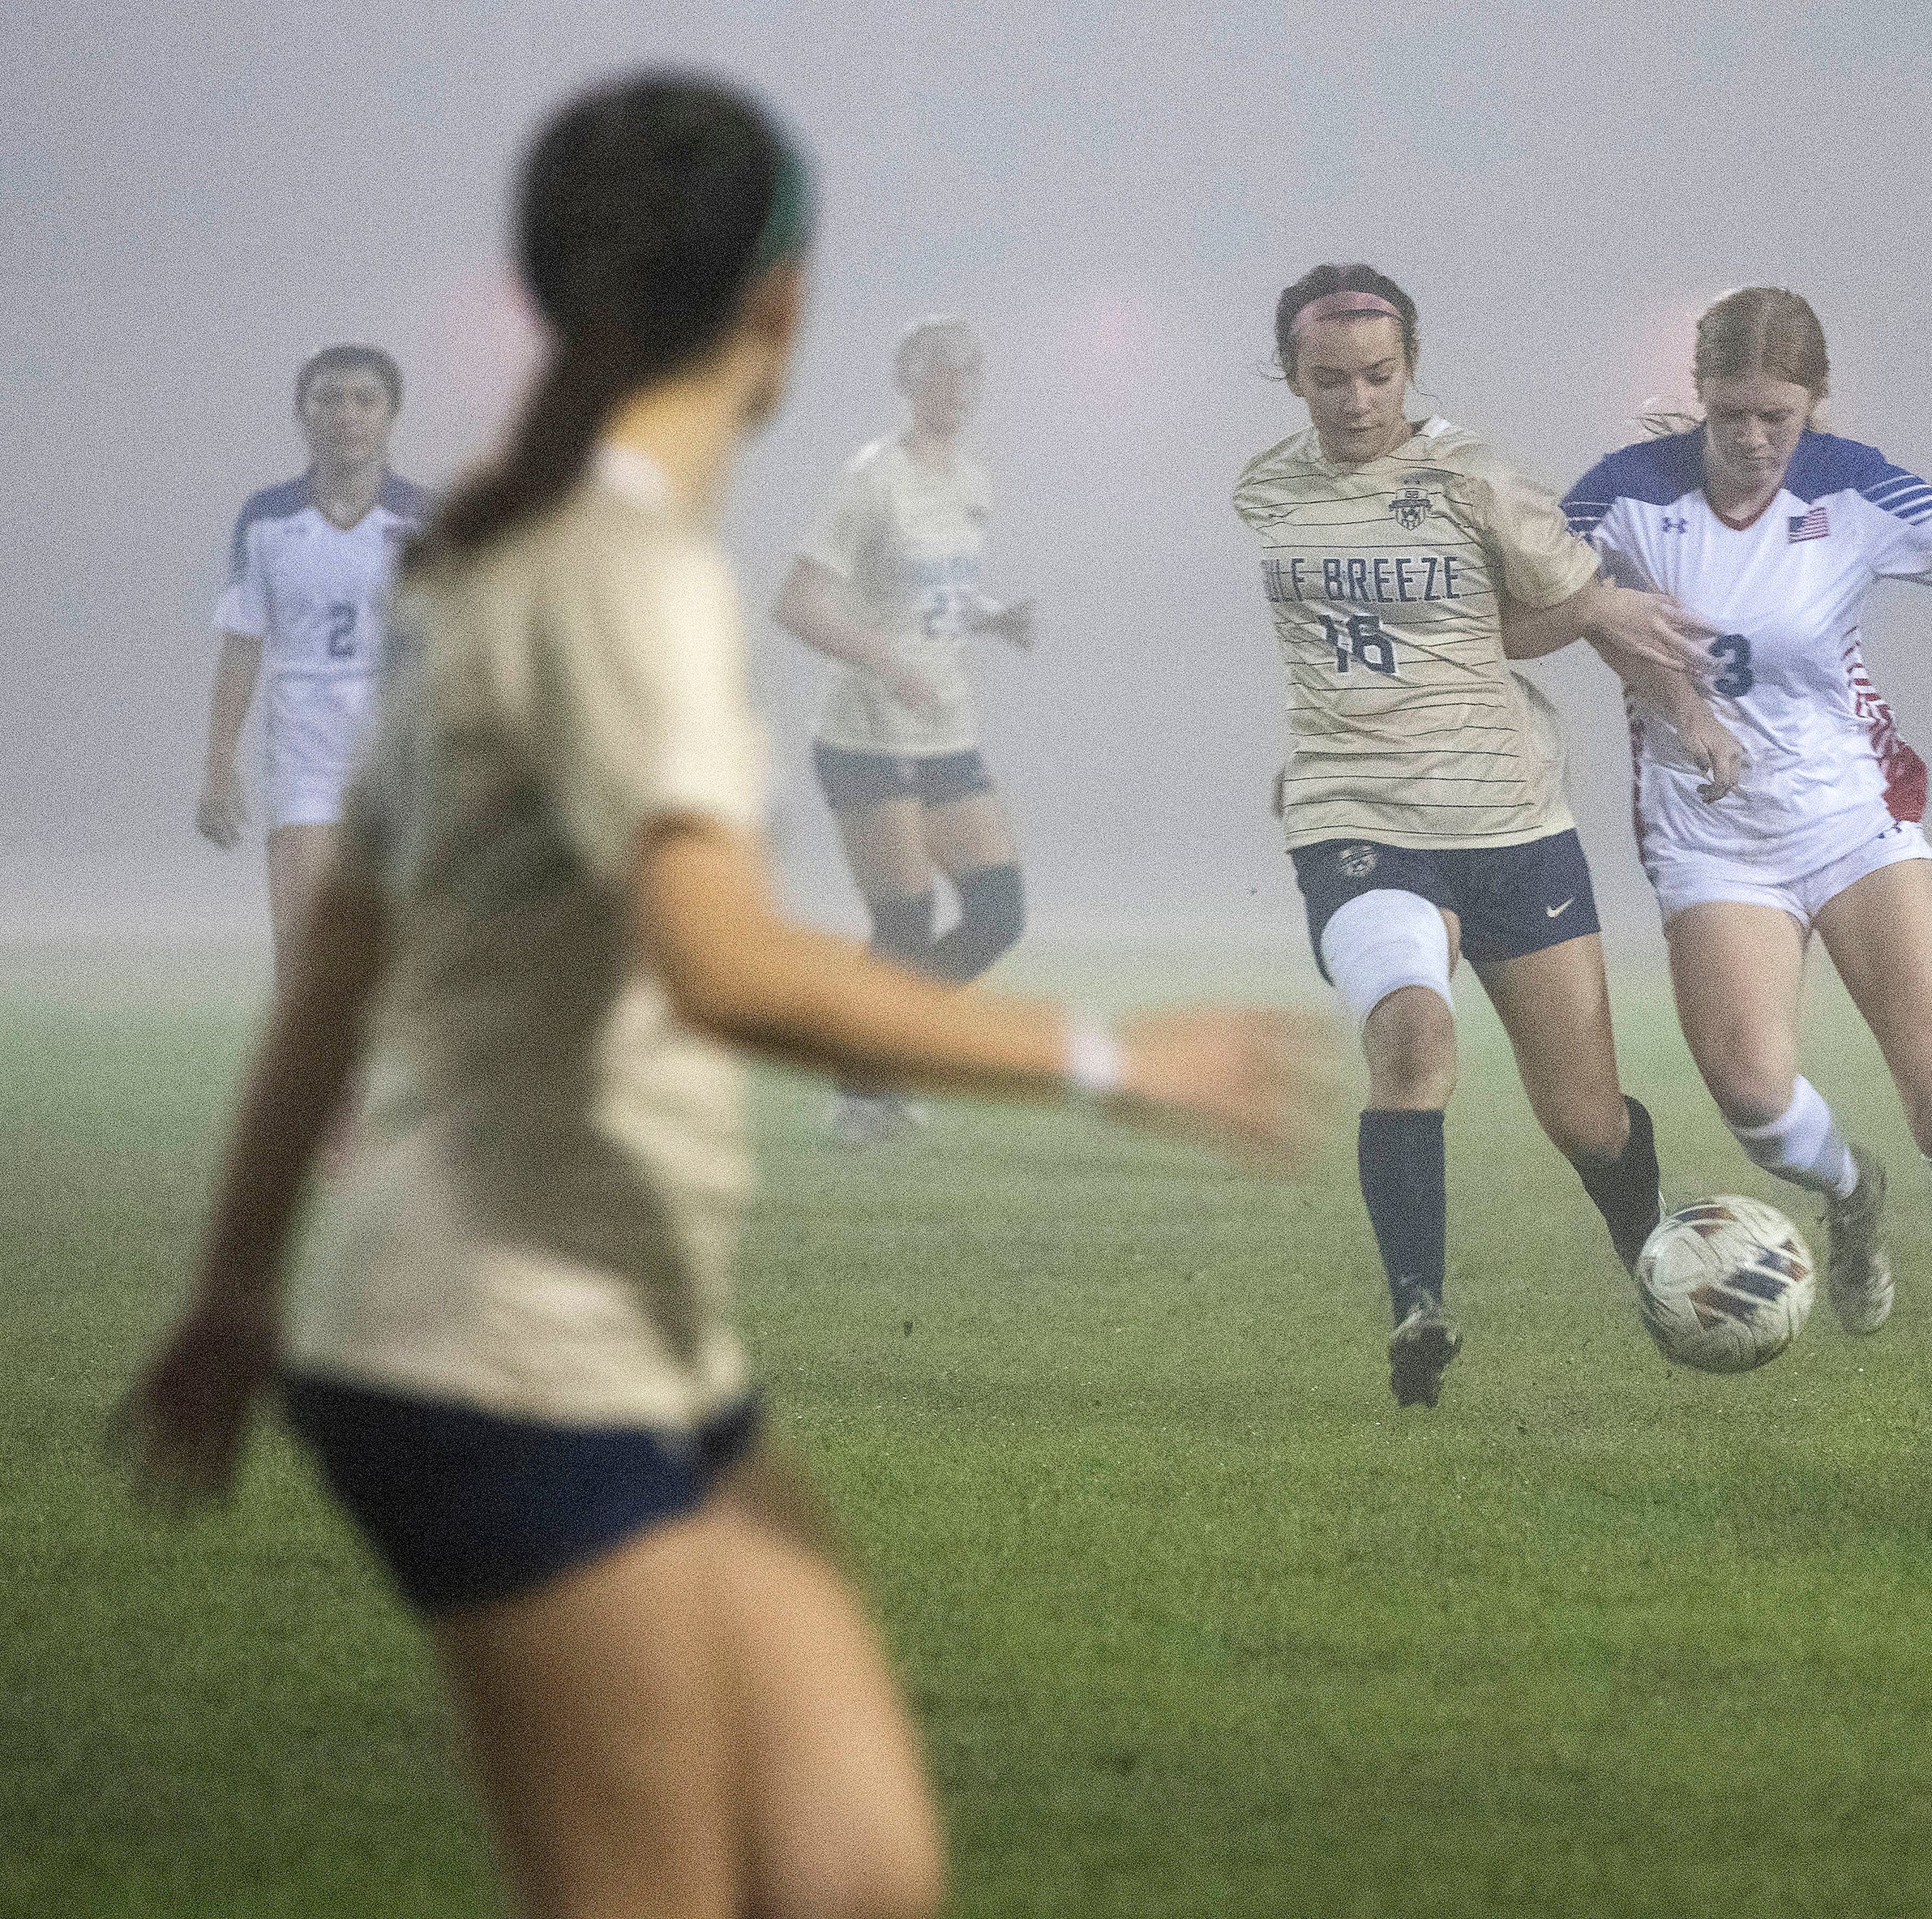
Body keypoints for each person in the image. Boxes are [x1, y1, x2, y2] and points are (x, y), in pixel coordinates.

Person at [120, 75, 1321, 1919]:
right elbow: (725, 962)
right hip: (496, 1350)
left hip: (637, 1337)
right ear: (783, 301)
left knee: (854, 1872)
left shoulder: (489, 562)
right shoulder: (620, 583)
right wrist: (1107, 1057)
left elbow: (337, 977)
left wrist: (228, 1290)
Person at [1563, 286, 1932, 1450]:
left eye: (1780, 414)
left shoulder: (1853, 482)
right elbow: (1535, 598)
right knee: (1754, 1093)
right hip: (1710, 834)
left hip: (1853, 818)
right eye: (1733, 413)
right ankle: (1852, 1193)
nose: (1757, 439)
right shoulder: (1627, 488)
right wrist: (1652, 669)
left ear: (1816, 403)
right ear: (1700, 398)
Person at [1234, 262, 1744, 1411]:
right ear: (1291, 377)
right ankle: (1418, 1304)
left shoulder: (1474, 477)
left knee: (1587, 1119)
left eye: (1377, 375)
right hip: (1354, 819)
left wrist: (1692, 717)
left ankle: (1649, 1247)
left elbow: (1578, 613)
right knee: (1413, 1037)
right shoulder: (1264, 490)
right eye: (1328, 380)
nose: (1356, 400)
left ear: (1410, 366)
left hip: (1511, 820)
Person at [772, 317, 1035, 1147]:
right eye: (942, 372)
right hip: (866, 738)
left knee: (997, 915)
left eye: (971, 372)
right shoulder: (871, 481)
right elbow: (800, 604)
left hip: (945, 731)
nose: (959, 387)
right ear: (909, 382)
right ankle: (863, 1089)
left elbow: (932, 598)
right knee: (905, 923)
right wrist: (887, 663)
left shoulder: (972, 480)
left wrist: (993, 621)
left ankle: (865, 1043)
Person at [198, 345, 430, 983]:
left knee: (396, 951)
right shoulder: (268, 518)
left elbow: (456, 646)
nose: (346, 414)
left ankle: (387, 1080)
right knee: (304, 945)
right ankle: (317, 1083)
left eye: (365, 400)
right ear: (302, 414)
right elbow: (242, 643)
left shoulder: (423, 519)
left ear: (391, 415)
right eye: (328, 399)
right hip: (306, 749)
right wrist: (220, 768)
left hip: (400, 750)